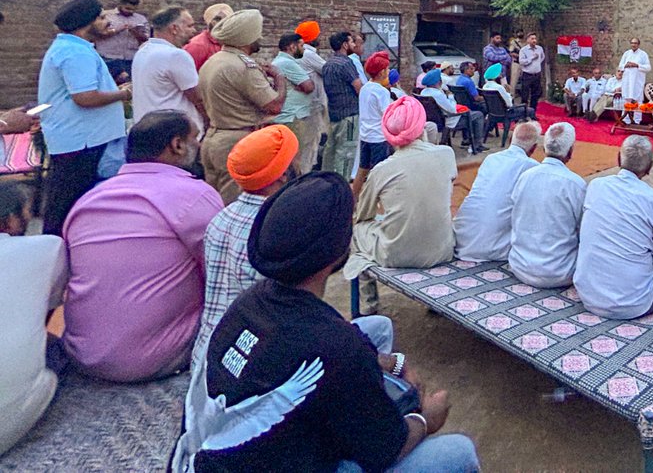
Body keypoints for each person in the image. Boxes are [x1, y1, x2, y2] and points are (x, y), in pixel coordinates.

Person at [175, 173, 478, 473]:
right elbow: (387, 449)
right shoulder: (335, 346)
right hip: (281, 454)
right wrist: (427, 419)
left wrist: (389, 363)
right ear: (334, 253)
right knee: (457, 452)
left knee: (376, 327)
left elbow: (331, 351)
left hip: (209, 457)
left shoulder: (252, 300)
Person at [62, 111, 223, 382]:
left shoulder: (89, 200)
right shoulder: (195, 195)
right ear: (177, 145)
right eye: (196, 137)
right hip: (153, 358)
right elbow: (221, 270)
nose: (200, 144)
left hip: (82, 354)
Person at [193, 125, 298, 370]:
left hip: (207, 355)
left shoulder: (222, 218)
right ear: (282, 174)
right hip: (244, 364)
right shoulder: (273, 230)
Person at [345, 97, 457, 314]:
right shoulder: (446, 154)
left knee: (356, 230)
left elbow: (364, 215)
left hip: (397, 253)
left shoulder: (382, 170)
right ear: (421, 125)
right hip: (442, 248)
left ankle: (369, 306)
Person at [37, 0, 132, 236]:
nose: (106, 22)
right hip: (80, 140)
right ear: (85, 22)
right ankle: (56, 252)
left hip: (82, 138)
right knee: (68, 203)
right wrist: (122, 94)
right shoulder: (74, 53)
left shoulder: (75, 48)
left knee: (69, 200)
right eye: (100, 18)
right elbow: (85, 98)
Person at [575, 135, 653, 319]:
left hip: (587, 295)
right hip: (636, 302)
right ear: (649, 167)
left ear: (618, 159)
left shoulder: (595, 186)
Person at [0, 182, 68, 456]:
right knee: (56, 347)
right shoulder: (47, 248)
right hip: (11, 412)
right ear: (11, 219)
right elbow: (54, 303)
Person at [198, 10, 288, 204]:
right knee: (233, 201)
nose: (260, 39)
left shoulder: (212, 62)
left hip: (213, 137)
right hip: (236, 141)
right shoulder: (244, 66)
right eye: (257, 35)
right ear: (247, 38)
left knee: (213, 201)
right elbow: (274, 105)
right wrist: (279, 78)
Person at [508, 122, 585, 288]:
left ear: (543, 148)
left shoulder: (525, 176)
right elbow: (583, 229)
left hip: (519, 265)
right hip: (559, 272)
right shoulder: (575, 184)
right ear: (570, 152)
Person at [454, 121, 542, 262]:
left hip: (462, 237)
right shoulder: (532, 168)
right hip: (492, 247)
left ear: (510, 140)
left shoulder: (491, 159)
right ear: (533, 149)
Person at [133, 5, 206, 134]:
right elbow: (198, 98)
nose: (194, 31)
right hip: (175, 133)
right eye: (190, 26)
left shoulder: (143, 50)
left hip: (147, 128)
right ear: (174, 28)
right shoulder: (176, 55)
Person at [323, 31, 364, 181]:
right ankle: (342, 184)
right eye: (352, 42)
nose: (354, 45)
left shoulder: (328, 64)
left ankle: (327, 181)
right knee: (346, 153)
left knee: (331, 151)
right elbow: (358, 87)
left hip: (334, 114)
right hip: (350, 114)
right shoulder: (347, 63)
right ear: (345, 45)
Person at [355, 51, 397, 192]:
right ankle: (374, 204)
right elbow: (387, 114)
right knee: (380, 174)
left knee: (362, 169)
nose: (388, 70)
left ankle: (353, 201)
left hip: (365, 135)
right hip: (378, 137)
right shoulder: (382, 91)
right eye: (386, 68)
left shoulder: (365, 88)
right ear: (381, 72)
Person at [272, 33, 317, 161]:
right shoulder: (287, 63)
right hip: (293, 117)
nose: (304, 49)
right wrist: (305, 84)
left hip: (288, 116)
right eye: (301, 45)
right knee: (295, 158)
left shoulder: (279, 62)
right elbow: (309, 86)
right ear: (292, 47)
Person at [420, 69, 487, 155]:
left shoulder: (424, 92)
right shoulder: (438, 94)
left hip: (435, 120)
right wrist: (451, 96)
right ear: (439, 82)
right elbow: (452, 110)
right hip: (449, 120)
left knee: (470, 113)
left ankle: (466, 140)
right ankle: (477, 145)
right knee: (478, 115)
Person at [294, 20, 327, 174]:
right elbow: (327, 69)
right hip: (312, 105)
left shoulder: (301, 53)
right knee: (310, 144)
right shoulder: (308, 54)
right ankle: (305, 175)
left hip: (306, 105)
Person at [94, 0, 148, 82]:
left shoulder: (141, 19)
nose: (130, 11)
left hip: (130, 59)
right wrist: (120, 29)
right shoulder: (106, 16)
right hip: (108, 58)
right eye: (127, 8)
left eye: (133, 10)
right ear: (120, 5)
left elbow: (145, 39)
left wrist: (135, 31)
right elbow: (99, 34)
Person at [184, 3, 234, 71]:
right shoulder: (198, 45)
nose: (225, 23)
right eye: (218, 19)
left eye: (229, 19)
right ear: (212, 22)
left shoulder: (230, 42)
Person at [618, 37, 652, 112]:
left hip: (637, 82)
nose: (633, 45)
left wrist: (637, 65)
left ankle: (637, 120)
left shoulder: (643, 54)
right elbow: (620, 66)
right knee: (627, 100)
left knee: (637, 100)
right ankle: (625, 119)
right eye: (632, 43)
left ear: (638, 44)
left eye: (635, 43)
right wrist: (626, 65)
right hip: (627, 81)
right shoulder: (626, 53)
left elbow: (648, 68)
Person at [517, 33, 546, 117]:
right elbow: (521, 62)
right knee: (525, 95)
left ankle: (532, 113)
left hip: (536, 75)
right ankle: (523, 114)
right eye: (532, 39)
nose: (534, 40)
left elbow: (542, 58)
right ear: (528, 40)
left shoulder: (539, 49)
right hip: (527, 75)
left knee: (535, 95)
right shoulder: (523, 50)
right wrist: (531, 59)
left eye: (535, 39)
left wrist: (536, 65)